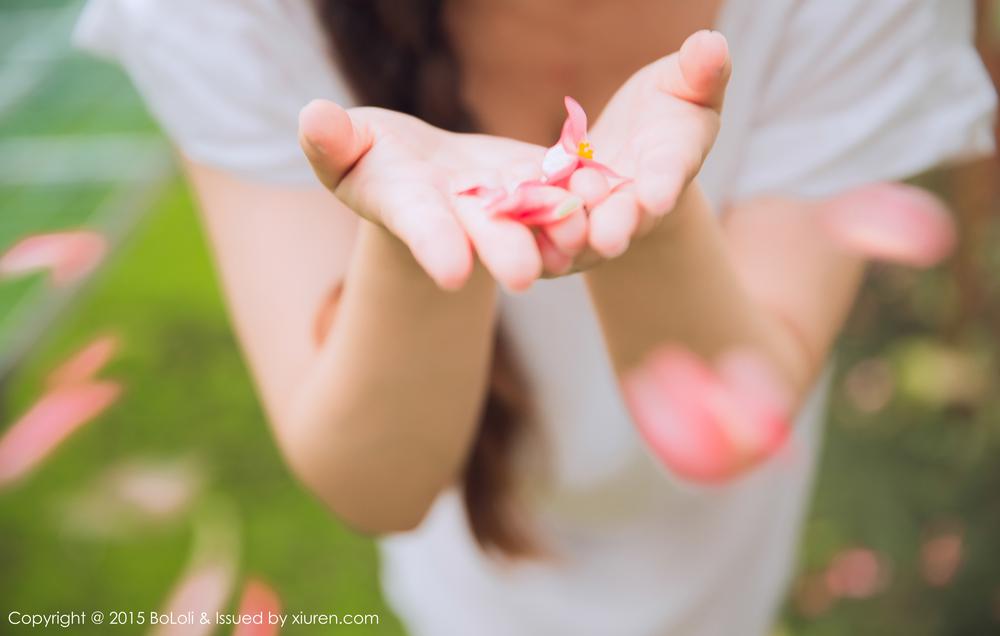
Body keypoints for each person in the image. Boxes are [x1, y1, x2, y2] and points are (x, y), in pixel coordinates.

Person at [74, 1, 996, 634]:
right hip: (465, 590)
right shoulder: (225, 18)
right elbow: (376, 484)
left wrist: (653, 218)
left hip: (723, 572)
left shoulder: (856, 13)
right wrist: (413, 244)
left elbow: (734, 419)